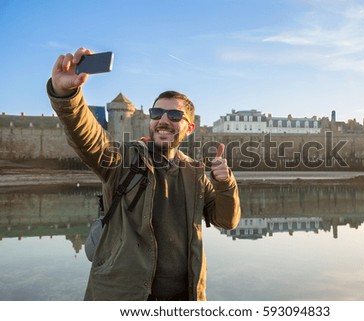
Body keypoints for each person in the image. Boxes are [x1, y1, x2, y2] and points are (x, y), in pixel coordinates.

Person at [46, 48, 241, 301]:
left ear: (189, 127)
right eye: (157, 113)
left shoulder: (196, 174)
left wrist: (225, 183)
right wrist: (67, 96)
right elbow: (90, 138)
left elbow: (227, 221)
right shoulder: (123, 160)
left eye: (174, 115)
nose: (163, 120)